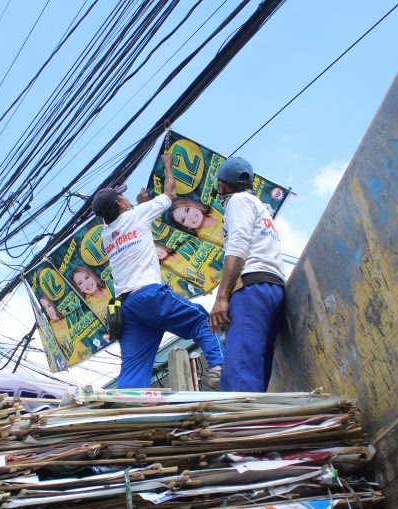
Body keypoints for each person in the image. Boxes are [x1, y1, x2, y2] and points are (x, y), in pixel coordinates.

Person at [91, 154, 224, 389]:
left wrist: (142, 205)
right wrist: (167, 165)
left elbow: (131, 228)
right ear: (121, 204)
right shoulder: (136, 215)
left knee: (133, 367)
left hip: (128, 309)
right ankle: (220, 367)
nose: (125, 197)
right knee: (201, 320)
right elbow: (170, 196)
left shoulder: (105, 236)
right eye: (122, 196)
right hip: (149, 296)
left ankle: (126, 412)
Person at [208, 157, 286, 393]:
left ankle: (238, 428)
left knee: (240, 372)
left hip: (251, 289)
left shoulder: (238, 201)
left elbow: (238, 246)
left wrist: (222, 297)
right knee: (257, 372)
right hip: (273, 288)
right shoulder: (260, 207)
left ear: (222, 185)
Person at [37, 294, 87, 364]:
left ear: (54, 304)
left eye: (49, 306)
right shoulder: (49, 328)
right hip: (72, 362)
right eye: (45, 308)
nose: (48, 310)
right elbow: (50, 350)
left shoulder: (68, 316)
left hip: (87, 353)